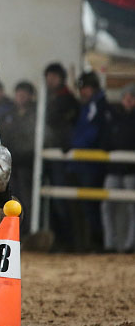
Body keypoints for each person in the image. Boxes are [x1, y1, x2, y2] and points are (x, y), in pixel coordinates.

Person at [63, 71, 111, 252]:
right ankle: (85, 244)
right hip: (83, 163)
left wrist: (73, 144)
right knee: (83, 207)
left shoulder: (97, 107)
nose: (82, 92)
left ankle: (93, 244)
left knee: (90, 208)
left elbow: (91, 133)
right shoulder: (90, 106)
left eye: (85, 88)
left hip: (89, 164)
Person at [99, 83, 135, 252]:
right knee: (107, 206)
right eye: (126, 97)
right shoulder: (114, 118)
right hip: (114, 169)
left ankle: (130, 244)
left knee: (132, 209)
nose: (128, 100)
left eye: (132, 97)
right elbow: (106, 141)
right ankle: (110, 244)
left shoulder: (115, 118)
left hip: (131, 172)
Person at [0, 81, 37, 236]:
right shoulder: (8, 115)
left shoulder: (35, 115)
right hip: (11, 164)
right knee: (12, 199)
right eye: (18, 94)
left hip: (27, 165)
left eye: (24, 94)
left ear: (30, 96)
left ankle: (26, 232)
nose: (20, 97)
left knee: (26, 200)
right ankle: (12, 232)